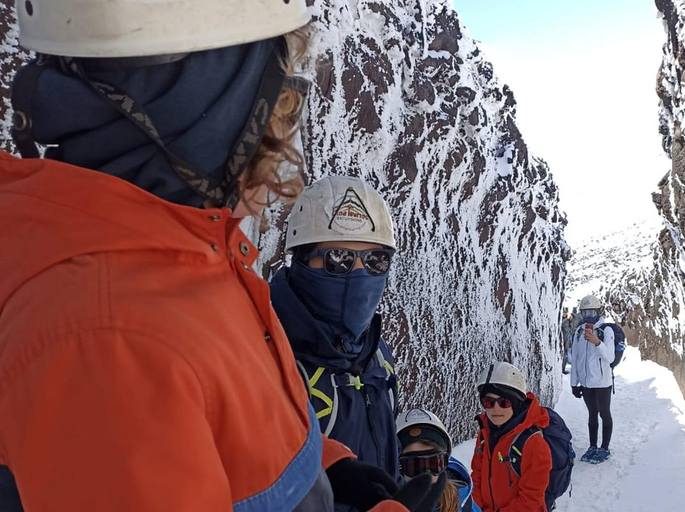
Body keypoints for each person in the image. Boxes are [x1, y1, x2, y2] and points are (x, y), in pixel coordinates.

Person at [0, 1, 445, 510]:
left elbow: (234, 427)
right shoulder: (111, 339)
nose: (282, 135)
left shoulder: (191, 259)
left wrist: (323, 468)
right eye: (276, 97)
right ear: (203, 104)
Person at [270, 176, 402, 500]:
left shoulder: (377, 356)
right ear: (301, 260)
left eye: (375, 261)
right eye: (338, 260)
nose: (359, 275)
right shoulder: (265, 354)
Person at [471, 363, 551, 512]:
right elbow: (477, 476)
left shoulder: (532, 443)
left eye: (504, 402)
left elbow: (531, 500)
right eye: (489, 402)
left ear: (515, 403)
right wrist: (474, 508)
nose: (496, 408)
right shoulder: (485, 433)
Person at [397, 409, 481, 512]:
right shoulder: (383, 506)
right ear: (398, 469)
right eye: (414, 466)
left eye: (433, 464)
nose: (426, 477)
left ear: (444, 465)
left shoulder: (463, 504)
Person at [570, 294, 615, 464]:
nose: (588, 315)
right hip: (587, 382)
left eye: (592, 311)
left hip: (603, 382)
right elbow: (575, 358)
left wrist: (597, 342)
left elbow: (610, 357)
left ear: (598, 311)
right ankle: (592, 446)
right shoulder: (578, 332)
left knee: (604, 413)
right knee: (592, 414)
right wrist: (574, 384)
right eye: (585, 312)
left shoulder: (606, 330)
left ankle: (604, 448)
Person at [560, 308, 573, 374]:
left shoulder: (568, 321)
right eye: (563, 312)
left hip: (567, 340)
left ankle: (563, 368)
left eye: (565, 312)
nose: (564, 313)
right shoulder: (562, 320)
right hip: (563, 339)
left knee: (566, 355)